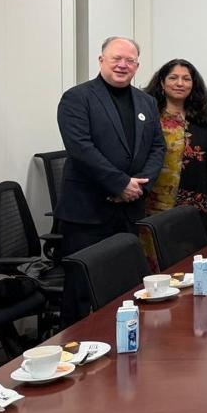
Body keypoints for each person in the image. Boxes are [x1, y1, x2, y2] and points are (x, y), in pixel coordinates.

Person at [55, 36, 166, 254]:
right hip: (88, 214)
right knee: (88, 274)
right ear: (101, 60)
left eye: (130, 60)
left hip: (130, 211)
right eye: (116, 58)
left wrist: (139, 187)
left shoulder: (147, 101)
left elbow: (157, 147)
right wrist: (120, 184)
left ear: (137, 66)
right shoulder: (77, 97)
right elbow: (80, 148)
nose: (122, 65)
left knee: (127, 272)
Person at [142, 58, 207, 216]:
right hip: (154, 199)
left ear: (193, 84)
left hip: (194, 202)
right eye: (173, 78)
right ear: (162, 83)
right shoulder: (149, 117)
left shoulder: (202, 120)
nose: (180, 83)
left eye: (186, 79)